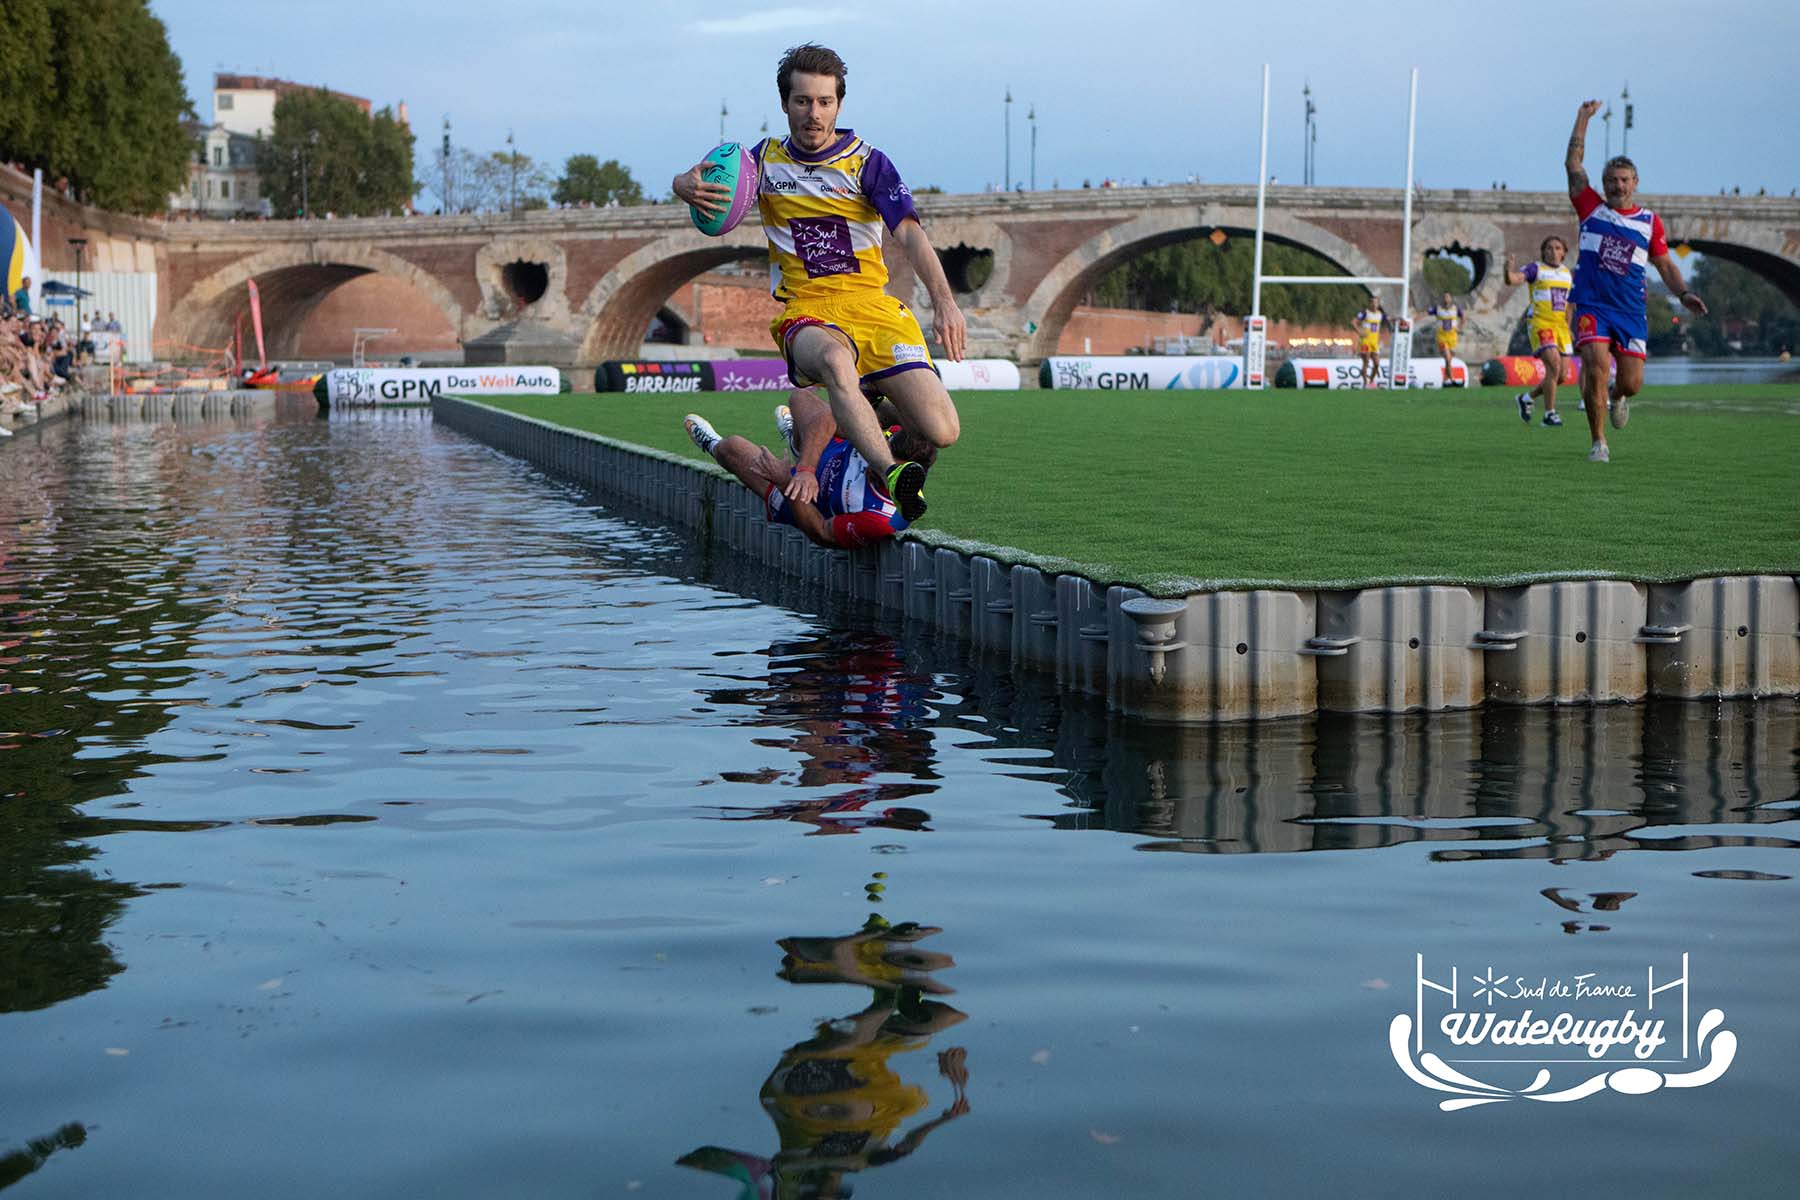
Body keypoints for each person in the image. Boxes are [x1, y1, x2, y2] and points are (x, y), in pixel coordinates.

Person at [673, 43, 964, 523]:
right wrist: (682, 184)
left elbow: (911, 235)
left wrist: (945, 302)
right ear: (785, 103)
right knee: (834, 360)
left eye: (825, 102)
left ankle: (835, 421)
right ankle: (892, 472)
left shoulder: (868, 163)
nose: (814, 113)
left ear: (839, 105)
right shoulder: (760, 163)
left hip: (873, 308)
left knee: (941, 431)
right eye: (803, 101)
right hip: (808, 311)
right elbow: (707, 184)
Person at [1564, 99, 1707, 462]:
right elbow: (1573, 165)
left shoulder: (1649, 222)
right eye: (1612, 180)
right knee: (1595, 368)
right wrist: (1583, 119)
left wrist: (1684, 293)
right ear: (1604, 184)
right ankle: (1598, 442)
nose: (1618, 186)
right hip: (1593, 305)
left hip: (1629, 311)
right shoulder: (1590, 208)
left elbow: (1666, 265)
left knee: (1632, 383)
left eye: (1624, 180)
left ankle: (1618, 396)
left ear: (1635, 183)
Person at [684, 387, 934, 550]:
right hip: (824, 451)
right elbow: (835, 416)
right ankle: (798, 445)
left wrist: (785, 481)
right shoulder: (894, 437)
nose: (877, 463)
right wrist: (807, 467)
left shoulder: (881, 518)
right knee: (800, 397)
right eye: (881, 456)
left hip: (800, 497)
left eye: (886, 469)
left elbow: (821, 532)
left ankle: (711, 443)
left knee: (733, 447)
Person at [1503, 236, 1574, 426]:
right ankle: (1549, 414)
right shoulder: (1536, 269)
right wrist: (1507, 271)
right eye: (1549, 248)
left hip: (1561, 327)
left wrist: (1568, 326)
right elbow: (1513, 279)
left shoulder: (1567, 274)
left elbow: (1569, 305)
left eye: (1557, 248)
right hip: (1541, 323)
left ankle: (1527, 398)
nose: (1553, 251)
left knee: (1561, 375)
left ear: (1563, 252)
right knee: (1553, 365)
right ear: (1543, 252)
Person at [1425, 290, 1462, 381]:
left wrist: (1459, 327)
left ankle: (1446, 378)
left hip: (1452, 337)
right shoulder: (1437, 309)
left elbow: (1463, 317)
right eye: (1444, 297)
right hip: (1442, 338)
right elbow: (1425, 313)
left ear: (1451, 298)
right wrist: (1413, 319)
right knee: (1448, 358)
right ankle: (1452, 378)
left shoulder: (1455, 309)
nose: (1446, 299)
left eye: (1447, 297)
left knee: (1448, 360)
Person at [1351, 295, 1386, 387]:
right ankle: (1365, 383)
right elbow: (1353, 322)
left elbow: (1388, 318)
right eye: (1372, 302)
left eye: (1376, 302)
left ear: (1378, 304)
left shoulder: (1380, 314)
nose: (1374, 304)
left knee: (1377, 363)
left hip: (1374, 343)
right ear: (1369, 303)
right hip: (1365, 342)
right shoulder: (1364, 313)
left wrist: (1397, 319)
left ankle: (1371, 381)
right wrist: (1359, 332)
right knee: (1366, 362)